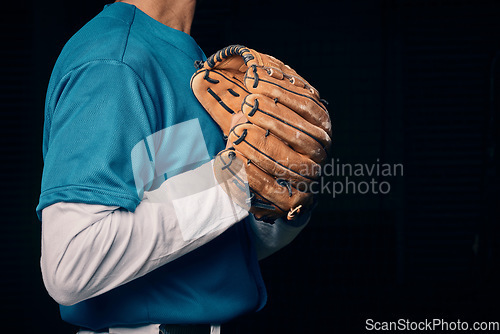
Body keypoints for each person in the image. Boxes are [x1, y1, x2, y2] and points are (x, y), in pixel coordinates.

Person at [37, 0, 311, 333]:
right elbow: (72, 265)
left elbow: (209, 247)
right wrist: (233, 182)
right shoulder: (113, 61)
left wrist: (278, 198)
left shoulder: (190, 60)